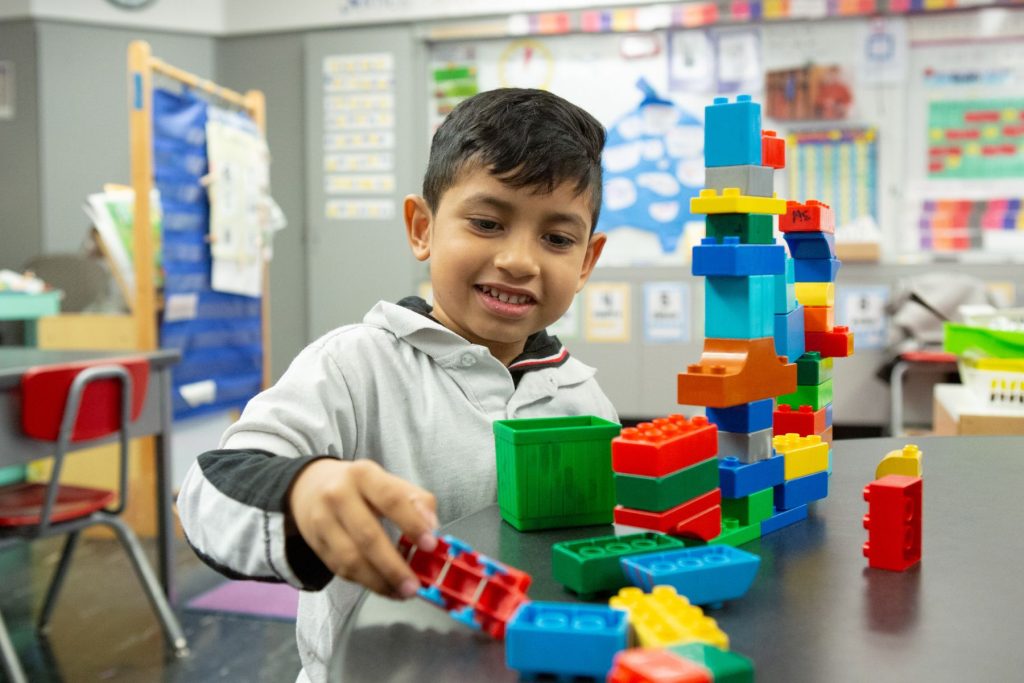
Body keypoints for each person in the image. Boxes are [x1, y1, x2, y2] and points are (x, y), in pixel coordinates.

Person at [176, 88, 618, 682]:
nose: (519, 260)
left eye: (557, 239)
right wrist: (304, 491)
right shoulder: (354, 366)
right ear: (422, 229)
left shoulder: (583, 397)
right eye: (487, 223)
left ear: (587, 262)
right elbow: (209, 493)